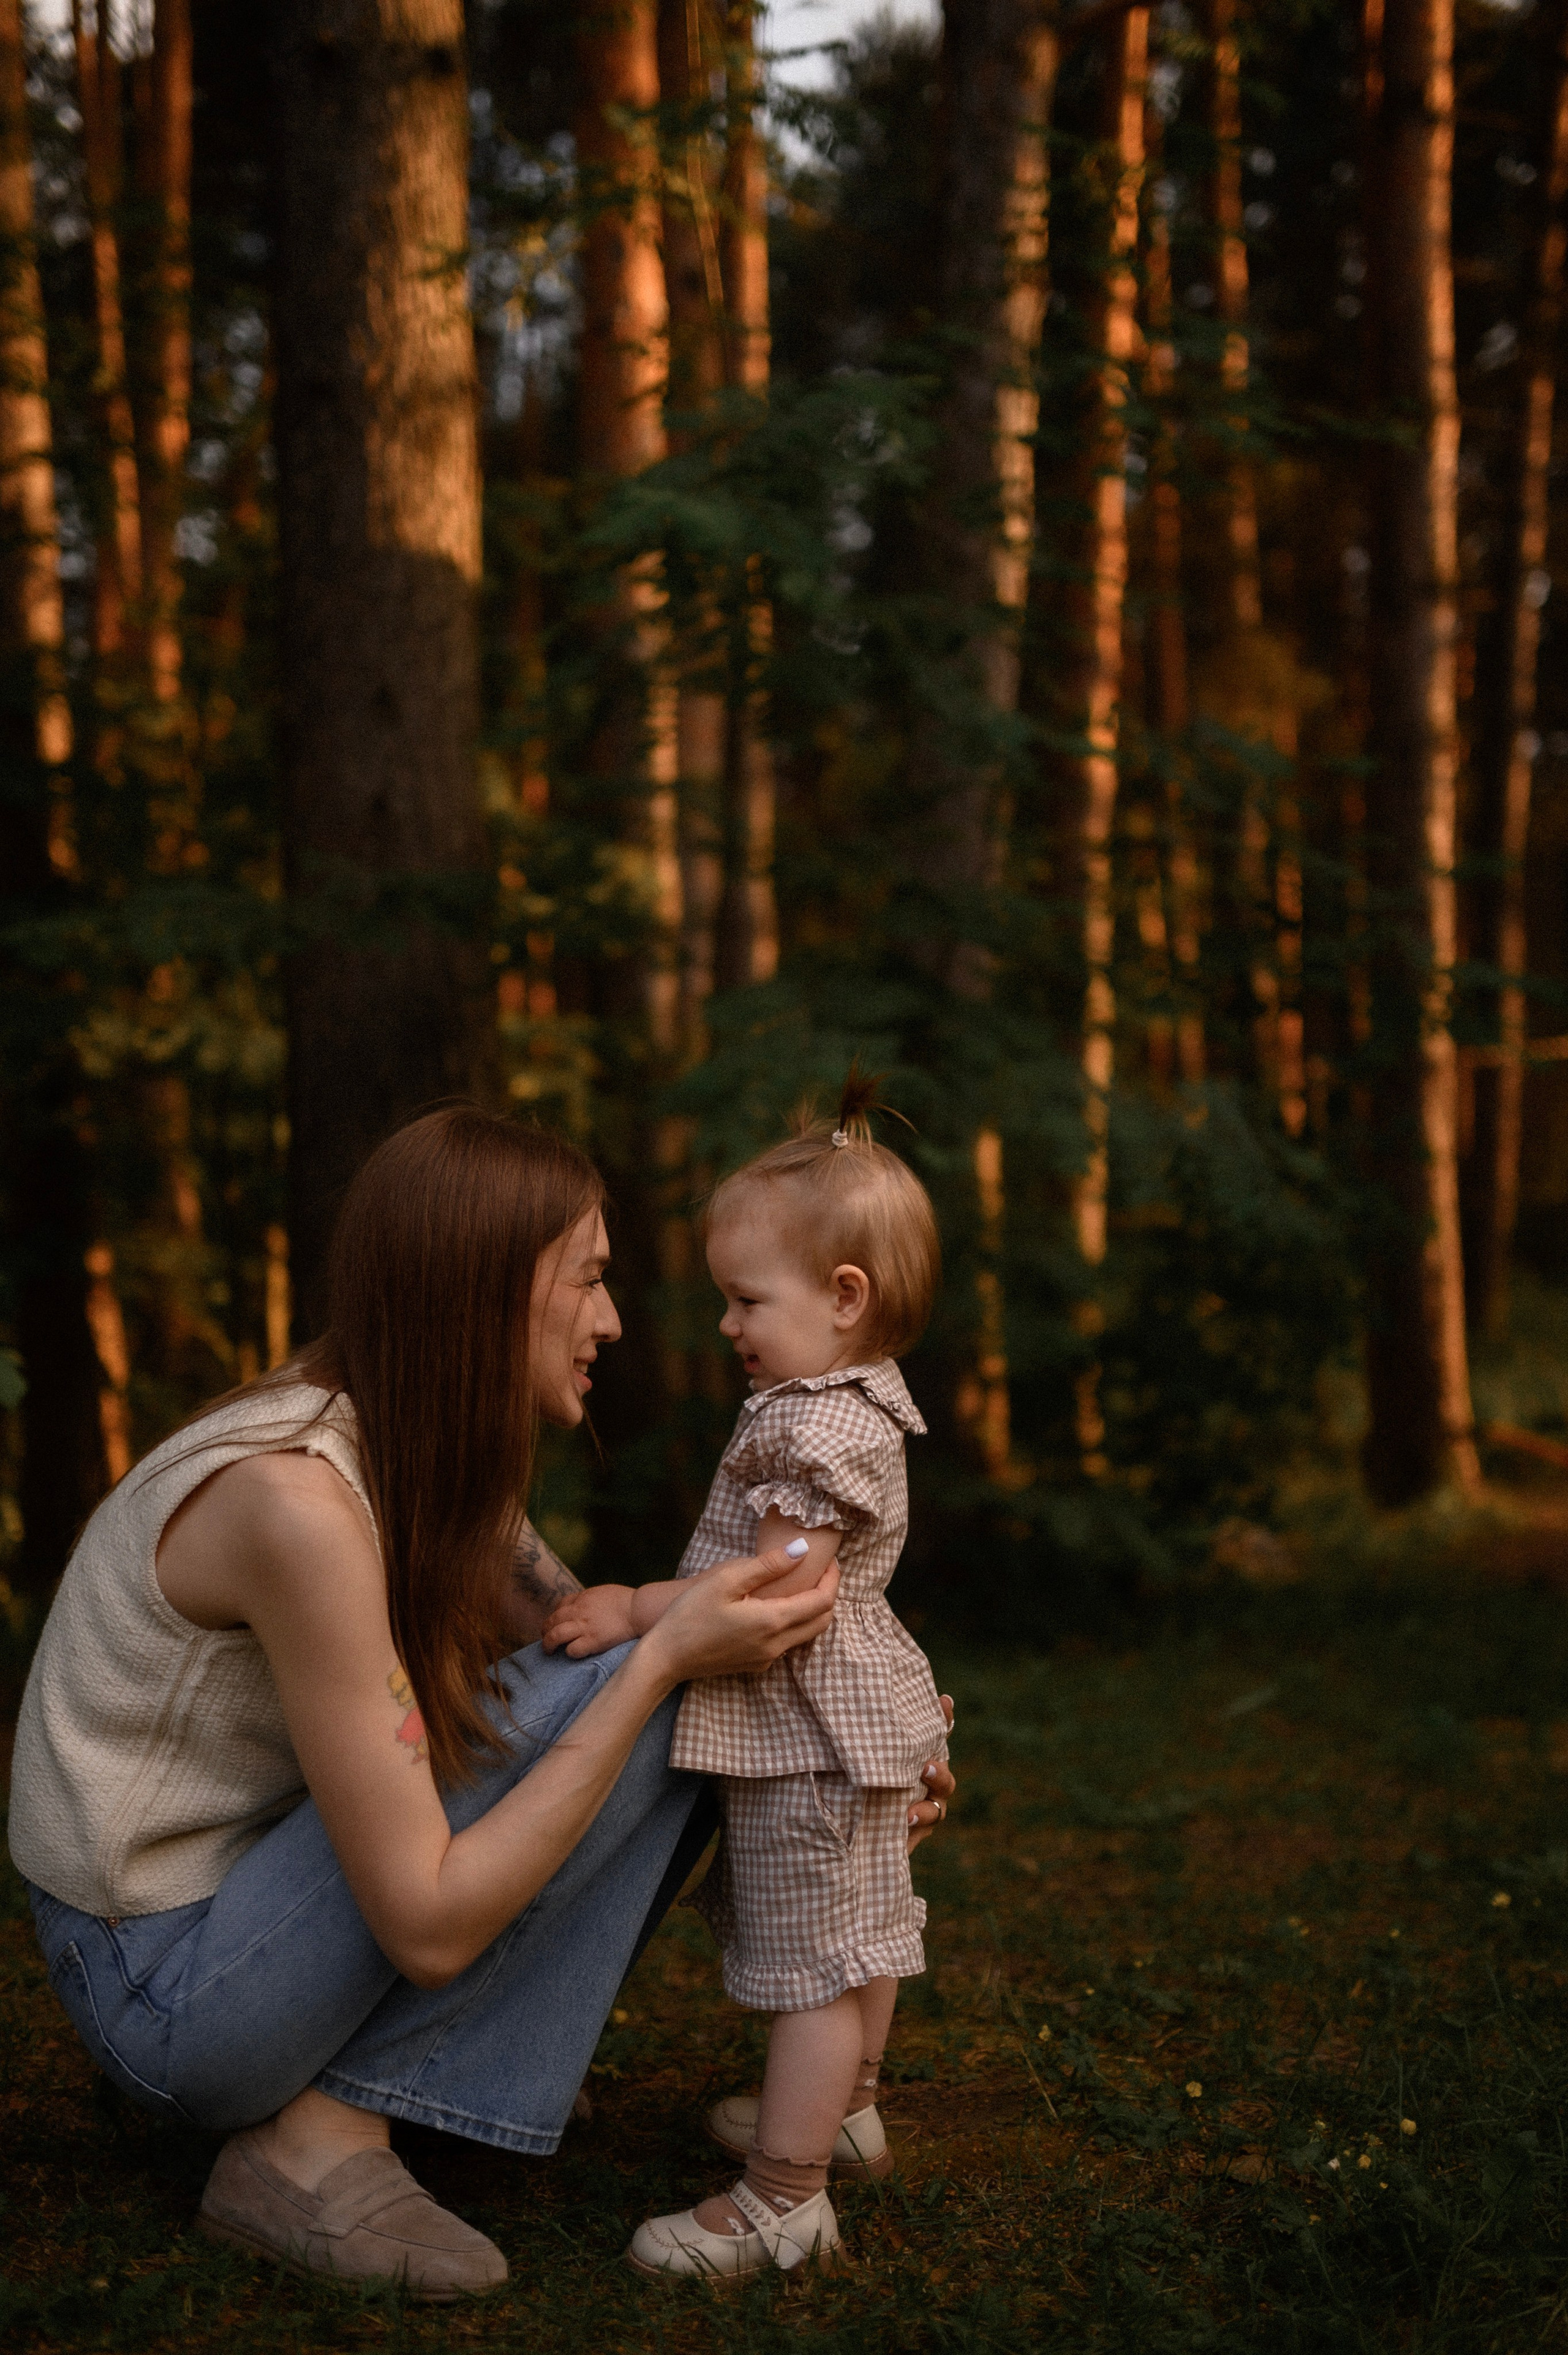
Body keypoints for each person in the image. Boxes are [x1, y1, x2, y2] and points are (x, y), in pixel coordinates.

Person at [7, 1108, 956, 2299]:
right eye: (591, 1280)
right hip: (163, 1984)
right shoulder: (293, 1500)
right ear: (485, 1290)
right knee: (660, 1674)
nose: (612, 1319)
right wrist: (665, 1658)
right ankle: (314, 2140)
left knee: (677, 1669)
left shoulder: (410, 1443)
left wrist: (865, 1757)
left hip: (249, 1904)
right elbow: (430, 1918)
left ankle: (434, 2076)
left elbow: (565, 1639)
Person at [542, 1074, 949, 2280]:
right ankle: (849, 2107)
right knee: (861, 1934)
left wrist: (632, 1606)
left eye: (743, 1298)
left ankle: (784, 2195)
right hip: (856, 1713)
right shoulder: (858, 1397)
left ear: (842, 1297)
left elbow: (773, 1582)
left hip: (809, 1728)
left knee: (814, 1963)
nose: (726, 1323)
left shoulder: (806, 1423)